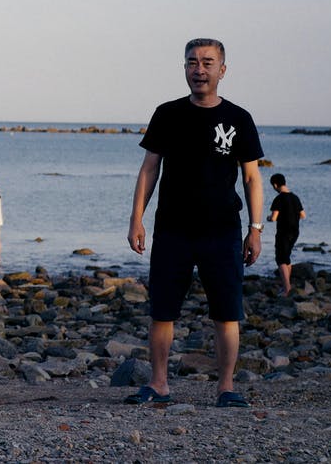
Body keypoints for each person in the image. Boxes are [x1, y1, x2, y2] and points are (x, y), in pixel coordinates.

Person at [126, 38, 265, 409]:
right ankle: (158, 384)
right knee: (162, 310)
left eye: (207, 62)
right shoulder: (167, 113)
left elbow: (252, 178)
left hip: (222, 230)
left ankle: (226, 388)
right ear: (184, 68)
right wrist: (136, 219)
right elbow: (149, 169)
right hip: (172, 228)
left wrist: (256, 228)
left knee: (227, 311)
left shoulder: (239, 118)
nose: (199, 69)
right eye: (192, 62)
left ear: (222, 69)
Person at [267, 173, 306, 296]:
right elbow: (303, 215)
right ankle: (287, 285)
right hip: (295, 231)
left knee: (280, 259)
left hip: (283, 231)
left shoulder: (279, 199)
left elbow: (274, 218)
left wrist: (268, 218)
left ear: (275, 184)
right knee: (287, 257)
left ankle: (287, 289)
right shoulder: (295, 197)